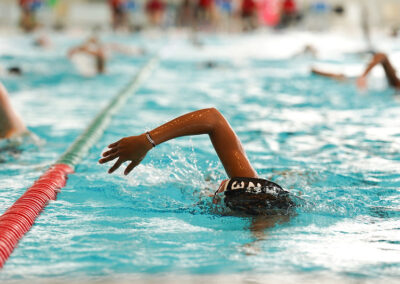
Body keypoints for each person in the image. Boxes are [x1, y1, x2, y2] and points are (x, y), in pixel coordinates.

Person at [99, 108, 294, 216]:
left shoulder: (251, 214)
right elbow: (213, 119)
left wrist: (148, 140)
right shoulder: (255, 194)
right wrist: (145, 141)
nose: (214, 193)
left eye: (218, 191)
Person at [311, 52, 400, 90]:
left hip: (360, 84)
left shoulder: (395, 84)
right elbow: (381, 55)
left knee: (341, 78)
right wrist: (363, 75)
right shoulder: (395, 82)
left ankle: (316, 71)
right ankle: (316, 71)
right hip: (362, 83)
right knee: (342, 78)